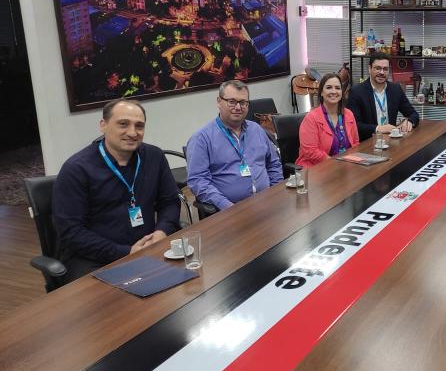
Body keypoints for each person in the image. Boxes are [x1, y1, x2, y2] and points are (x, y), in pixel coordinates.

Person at [53, 99, 181, 282]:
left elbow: (169, 201)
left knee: (187, 284)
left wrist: (162, 232)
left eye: (139, 126)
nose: (132, 132)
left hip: (149, 248)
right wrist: (127, 252)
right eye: (123, 124)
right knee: (121, 306)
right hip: (95, 259)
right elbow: (72, 232)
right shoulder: (77, 169)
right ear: (103, 125)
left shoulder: (154, 157)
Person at [187, 80, 283, 212]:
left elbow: (273, 163)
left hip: (267, 204)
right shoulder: (202, 139)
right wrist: (226, 205)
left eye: (243, 102)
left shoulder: (257, 129)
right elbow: (198, 181)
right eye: (231, 101)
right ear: (219, 101)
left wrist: (275, 192)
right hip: (231, 210)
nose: (238, 107)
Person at [347, 52, 420, 141]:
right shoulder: (357, 92)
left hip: (391, 142)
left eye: (385, 69)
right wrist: (378, 128)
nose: (381, 72)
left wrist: (409, 121)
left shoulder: (395, 90)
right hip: (368, 143)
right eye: (378, 68)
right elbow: (353, 125)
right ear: (369, 68)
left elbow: (413, 114)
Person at [297, 73, 359, 167]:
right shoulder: (311, 118)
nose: (334, 91)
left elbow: (355, 143)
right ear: (321, 92)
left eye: (338, 88)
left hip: (345, 167)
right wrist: (336, 164)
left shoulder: (349, 114)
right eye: (329, 87)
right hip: (316, 169)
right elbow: (310, 151)